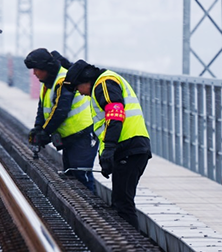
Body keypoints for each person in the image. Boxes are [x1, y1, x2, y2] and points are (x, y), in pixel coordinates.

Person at [65, 59, 152, 228]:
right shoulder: (102, 83)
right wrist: (106, 154)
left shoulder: (104, 83)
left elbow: (115, 113)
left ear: (85, 81)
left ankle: (131, 246)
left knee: (123, 204)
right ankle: (129, 241)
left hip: (130, 148)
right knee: (120, 201)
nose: (80, 93)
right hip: (129, 149)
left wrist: (110, 149)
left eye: (77, 88)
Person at [24, 48, 97, 193]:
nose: (34, 73)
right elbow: (43, 106)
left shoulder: (64, 80)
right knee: (71, 174)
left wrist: (45, 132)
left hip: (83, 134)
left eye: (37, 69)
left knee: (81, 174)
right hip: (70, 136)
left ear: (47, 68)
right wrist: (39, 127)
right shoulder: (48, 82)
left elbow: (60, 110)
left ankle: (93, 206)